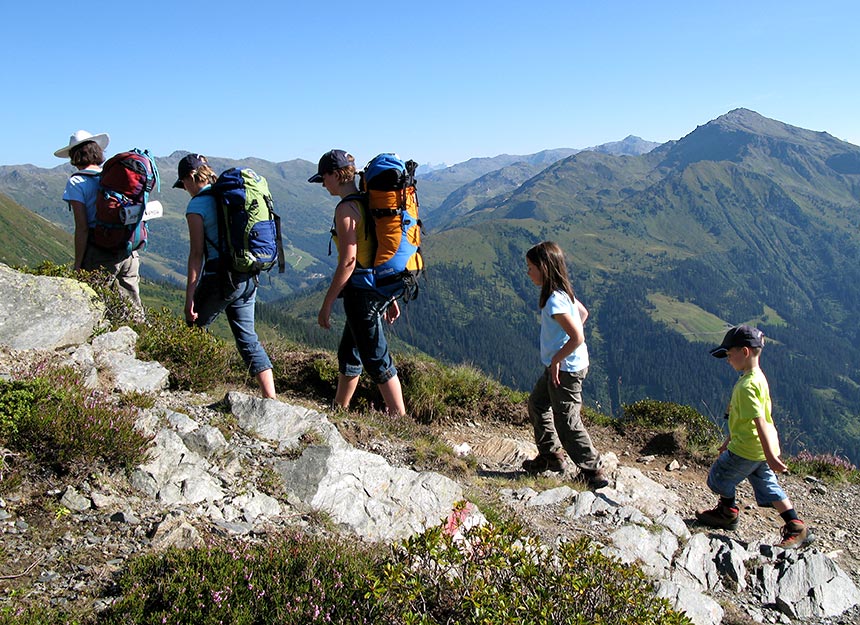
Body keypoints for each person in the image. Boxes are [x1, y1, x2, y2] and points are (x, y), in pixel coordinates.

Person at [308, 149, 406, 416]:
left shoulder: (346, 209)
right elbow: (379, 249)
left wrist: (327, 304)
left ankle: (400, 419)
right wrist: (391, 297)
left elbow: (349, 261)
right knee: (349, 351)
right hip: (377, 287)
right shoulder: (367, 201)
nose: (323, 184)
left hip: (361, 292)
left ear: (335, 175)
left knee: (376, 359)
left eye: (324, 178)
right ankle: (339, 409)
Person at [696, 324, 807, 549]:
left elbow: (759, 421)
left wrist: (770, 456)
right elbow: (753, 421)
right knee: (768, 485)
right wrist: (734, 441)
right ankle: (795, 524)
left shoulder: (746, 386)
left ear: (744, 352)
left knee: (718, 477)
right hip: (758, 447)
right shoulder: (757, 377)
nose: (727, 359)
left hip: (747, 449)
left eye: (729, 354)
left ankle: (728, 512)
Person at [175, 153, 276, 399]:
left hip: (219, 278)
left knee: (192, 328)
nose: (185, 189)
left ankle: (191, 385)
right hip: (247, 275)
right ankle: (271, 398)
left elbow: (196, 254)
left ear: (190, 177)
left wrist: (190, 298)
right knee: (248, 339)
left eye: (183, 183)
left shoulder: (197, 206)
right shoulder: (228, 196)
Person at [521, 241, 608, 489]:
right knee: (537, 403)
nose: (528, 272)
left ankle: (593, 471)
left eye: (530, 267)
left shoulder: (554, 301)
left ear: (544, 268)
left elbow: (578, 336)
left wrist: (558, 358)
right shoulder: (562, 293)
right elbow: (583, 314)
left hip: (566, 369)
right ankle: (551, 456)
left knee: (567, 420)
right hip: (561, 365)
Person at [54, 129, 143, 311]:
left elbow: (82, 228)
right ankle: (141, 339)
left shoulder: (76, 182)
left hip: (100, 251)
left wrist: (78, 265)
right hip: (129, 249)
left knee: (94, 306)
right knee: (133, 309)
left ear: (74, 156)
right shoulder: (112, 177)